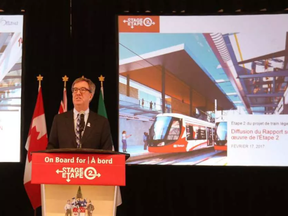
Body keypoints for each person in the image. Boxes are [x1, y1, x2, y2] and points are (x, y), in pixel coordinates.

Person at [47, 77, 112, 150]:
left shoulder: (102, 122)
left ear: (90, 96)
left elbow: (107, 152)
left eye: (83, 90)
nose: (78, 93)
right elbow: (51, 149)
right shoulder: (59, 120)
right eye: (75, 90)